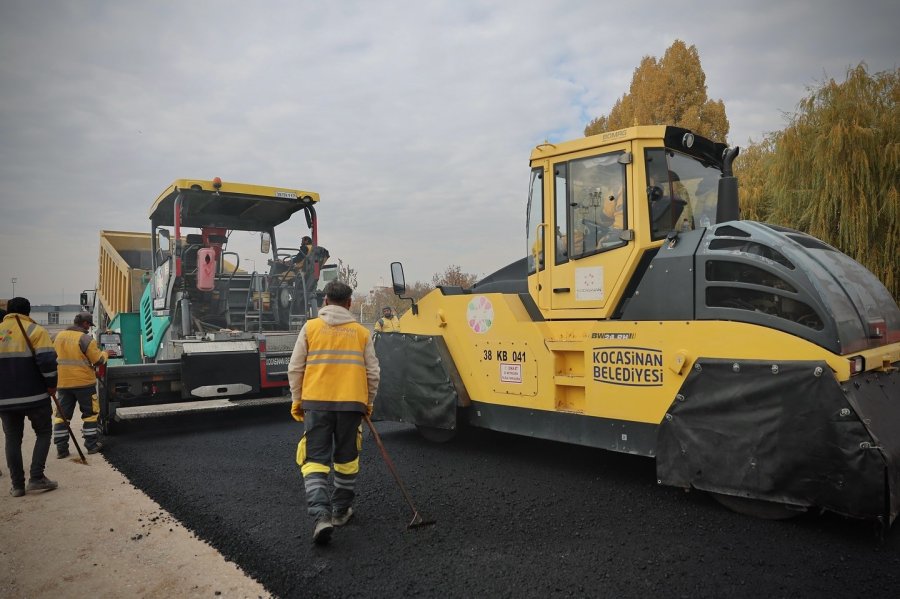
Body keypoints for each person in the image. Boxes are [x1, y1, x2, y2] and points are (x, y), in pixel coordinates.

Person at [287, 280, 380, 545]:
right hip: (351, 405)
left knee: (315, 459)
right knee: (346, 459)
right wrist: (368, 403)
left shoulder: (311, 327)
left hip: (316, 404)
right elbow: (373, 373)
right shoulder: (361, 333)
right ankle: (341, 512)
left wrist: (297, 400)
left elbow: (295, 368)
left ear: (325, 301)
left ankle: (321, 516)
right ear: (350, 303)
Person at [0, 297, 59, 497]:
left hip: (4, 399)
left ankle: (17, 486)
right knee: (43, 432)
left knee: (12, 439)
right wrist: (52, 386)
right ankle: (36, 477)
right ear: (28, 312)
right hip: (35, 396)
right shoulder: (36, 331)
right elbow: (48, 362)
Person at [52, 311, 108, 458]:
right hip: (84, 383)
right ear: (84, 323)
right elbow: (98, 361)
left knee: (62, 416)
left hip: (62, 383)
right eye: (89, 325)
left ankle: (61, 449)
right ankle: (91, 445)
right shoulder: (85, 339)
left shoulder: (56, 337)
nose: (89, 328)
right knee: (90, 414)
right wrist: (106, 353)